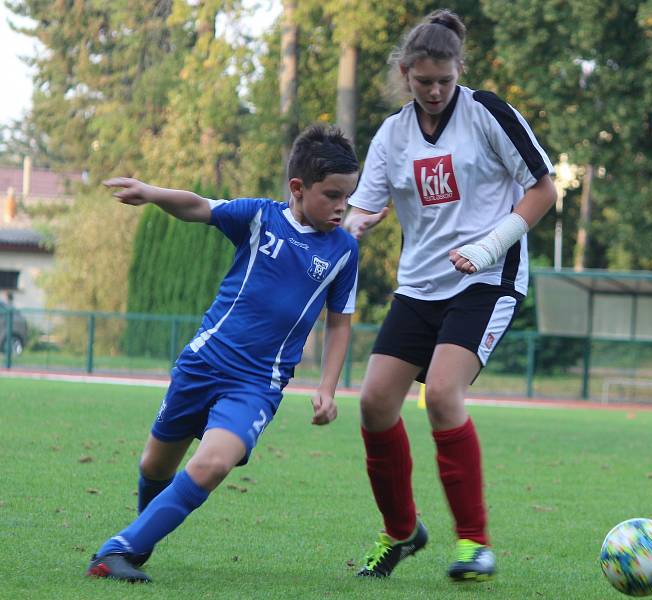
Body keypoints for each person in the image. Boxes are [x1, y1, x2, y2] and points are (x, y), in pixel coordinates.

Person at [86, 124, 360, 583]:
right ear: (298, 188)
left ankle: (118, 550)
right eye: (332, 195)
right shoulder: (258, 218)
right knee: (155, 466)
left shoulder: (343, 252)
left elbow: (339, 322)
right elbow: (198, 205)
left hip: (257, 385)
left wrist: (327, 388)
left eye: (347, 197)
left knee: (213, 463)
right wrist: (152, 193)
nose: (341, 207)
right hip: (203, 364)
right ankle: (142, 537)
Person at [344, 9, 557, 582]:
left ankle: (475, 543)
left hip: (487, 281)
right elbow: (367, 203)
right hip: (419, 286)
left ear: (459, 70)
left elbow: (544, 189)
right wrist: (352, 225)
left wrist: (490, 247)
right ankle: (401, 532)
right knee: (373, 403)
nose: (435, 91)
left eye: (444, 80)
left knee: (441, 394)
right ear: (405, 75)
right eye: (423, 81)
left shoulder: (487, 113)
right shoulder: (393, 132)